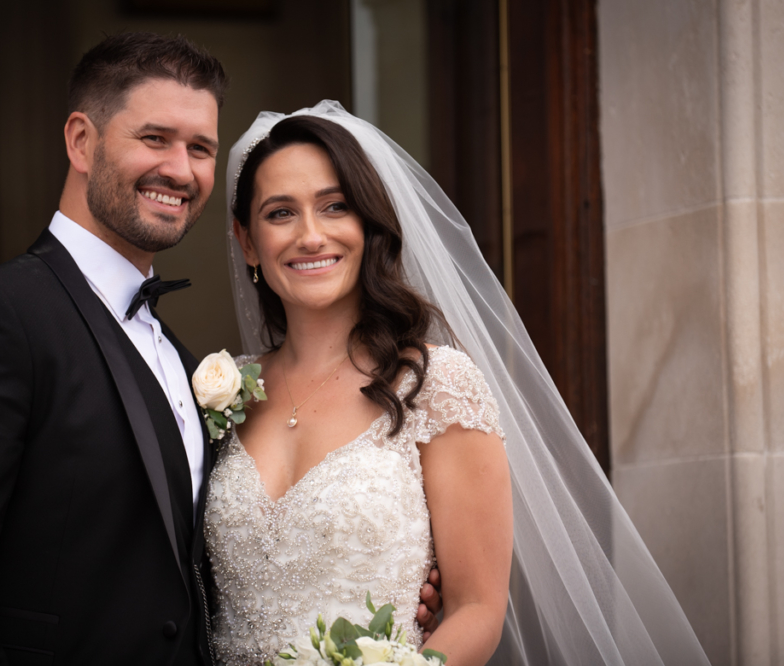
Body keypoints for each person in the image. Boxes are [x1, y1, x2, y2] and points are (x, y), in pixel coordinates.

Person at [0, 34, 441, 665]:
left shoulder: (189, 362)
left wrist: (382, 583)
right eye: (155, 138)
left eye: (200, 147)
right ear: (81, 142)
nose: (181, 169)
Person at [207, 102, 712, 665]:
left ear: (369, 223)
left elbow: (477, 611)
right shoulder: (223, 391)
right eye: (280, 213)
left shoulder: (435, 384)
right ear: (247, 240)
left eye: (336, 206)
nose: (310, 234)